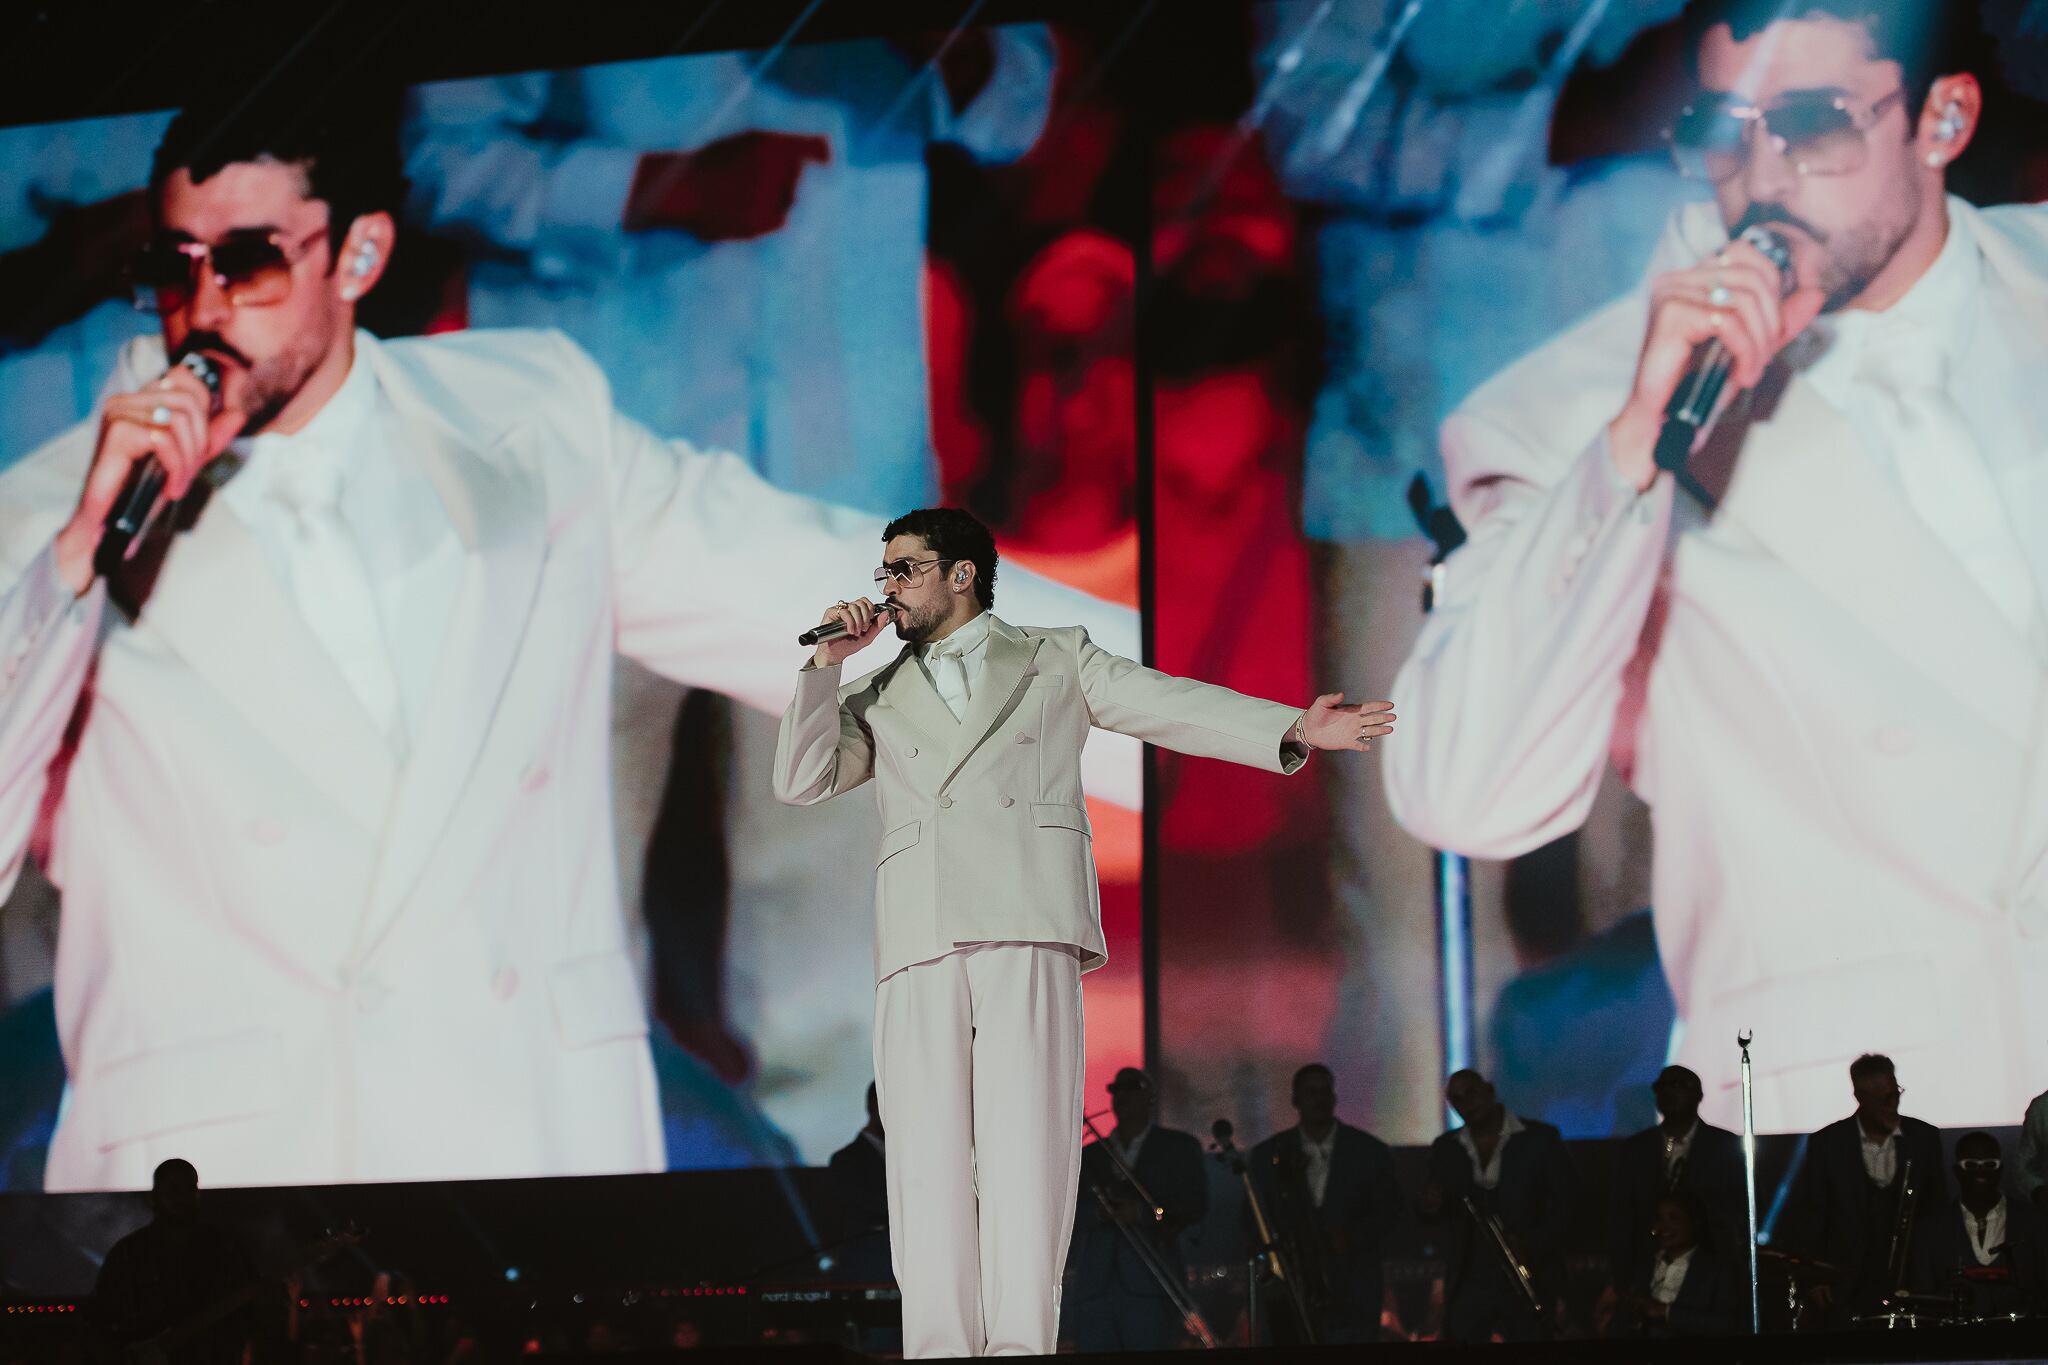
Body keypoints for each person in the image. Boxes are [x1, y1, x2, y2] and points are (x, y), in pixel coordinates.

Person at [0, 83, 1125, 1194]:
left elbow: (794, 577)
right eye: (168, 268)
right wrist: (72, 560)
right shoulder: (52, 516)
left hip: (519, 1155)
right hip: (223, 1186)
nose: (200, 310)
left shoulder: (530, 420)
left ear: (356, 256)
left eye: (245, 263)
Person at [1383, 0, 2048, 1133]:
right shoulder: (1577, 412)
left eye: (1811, 122)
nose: (1762, 174)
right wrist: (1633, 451)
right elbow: (1460, 789)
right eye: (1723, 128)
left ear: (1940, 119)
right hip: (1866, 1141)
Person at [771, 506, 1393, 1357]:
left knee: (1028, 1149)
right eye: (884, 572)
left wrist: (1289, 725)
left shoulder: (1052, 655)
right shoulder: (875, 690)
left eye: (905, 568)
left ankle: (1023, 1344)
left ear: (962, 574)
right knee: (925, 1157)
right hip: (920, 932)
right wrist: (821, 667)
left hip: (1027, 915)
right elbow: (802, 778)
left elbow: (1163, 704)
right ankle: (942, 1348)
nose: (887, 586)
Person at [1245, 1063, 1402, 1344]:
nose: (1319, 1098)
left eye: (1324, 1090)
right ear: (1296, 1099)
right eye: (1311, 1092)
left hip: (1354, 1288)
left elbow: (1391, 1212)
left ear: (1334, 1096)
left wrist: (1353, 1238)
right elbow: (1252, 1218)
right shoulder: (1267, 1155)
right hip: (1291, 1289)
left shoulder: (1369, 1152)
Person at [1787, 1054, 1948, 1320]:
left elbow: (1936, 1210)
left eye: (1895, 1093)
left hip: (1910, 1279)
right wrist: (1814, 1279)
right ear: (1860, 1096)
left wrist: (1933, 1275)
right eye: (1885, 1098)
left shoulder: (1923, 1137)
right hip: (1845, 1283)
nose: (1893, 1103)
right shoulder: (1828, 1143)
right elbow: (1812, 1215)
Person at [1422, 1070, 1573, 1342]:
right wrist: (1430, 1205)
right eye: (1457, 1098)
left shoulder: (1540, 1139)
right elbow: (1432, 1214)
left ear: (1489, 1091)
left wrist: (1532, 1244)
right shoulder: (1447, 1147)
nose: (1467, 1102)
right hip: (1469, 1279)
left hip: (1529, 1274)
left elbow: (1567, 1204)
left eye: (1472, 1092)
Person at [1063, 1067, 1208, 1352]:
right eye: (1117, 1090)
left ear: (1150, 1097)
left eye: (1133, 1088)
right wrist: (1099, 1213)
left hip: (1152, 1288)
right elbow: (1068, 1213)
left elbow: (1195, 1205)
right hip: (1095, 1290)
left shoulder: (1179, 1147)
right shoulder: (1091, 1154)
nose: (1123, 1096)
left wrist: (1142, 1214)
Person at [89, 1159, 263, 1365]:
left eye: (188, 1189)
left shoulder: (225, 1248)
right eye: (172, 1190)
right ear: (154, 1196)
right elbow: (99, 1320)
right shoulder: (128, 1253)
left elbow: (249, 1315)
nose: (180, 1198)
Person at [1609, 1066, 1746, 1305]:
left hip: (1709, 1274)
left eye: (1681, 1086)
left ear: (1699, 1095)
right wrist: (1622, 1276)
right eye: (1663, 1087)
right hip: (1646, 1272)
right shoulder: (1635, 1148)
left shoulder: (1724, 1146)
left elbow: (1739, 1209)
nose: (1670, 1092)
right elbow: (1622, 1215)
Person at [1910, 1131, 2048, 1317]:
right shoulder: (1930, 1229)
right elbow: (1922, 1298)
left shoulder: (2035, 1223)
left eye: (1990, 1164)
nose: (1981, 1171)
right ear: (1957, 1171)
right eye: (1971, 1165)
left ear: (2000, 1169)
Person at [1611, 1189, 1747, 1336]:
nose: (1663, 1227)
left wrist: (1666, 1312)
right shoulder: (1644, 1266)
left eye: (1673, 1218)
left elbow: (1728, 1324)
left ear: (1695, 1223)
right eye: (1659, 1219)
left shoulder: (1717, 1270)